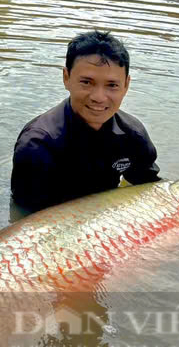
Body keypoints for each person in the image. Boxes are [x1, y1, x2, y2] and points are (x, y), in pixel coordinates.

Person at [11, 30, 160, 214]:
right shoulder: (38, 144)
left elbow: (149, 188)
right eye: (87, 82)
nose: (99, 97)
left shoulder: (133, 134)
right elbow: (24, 216)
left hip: (104, 216)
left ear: (126, 85)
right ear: (66, 78)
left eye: (112, 85)